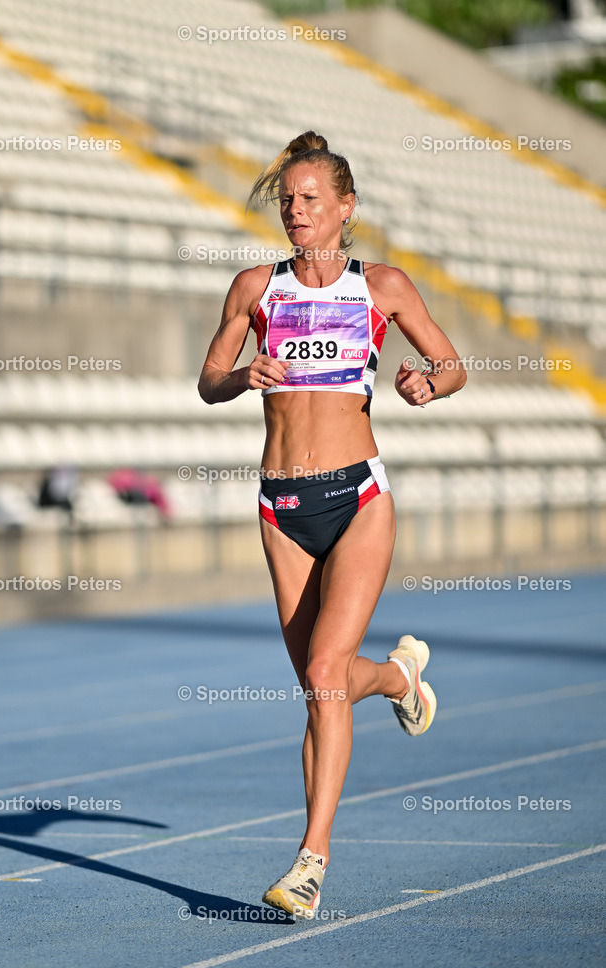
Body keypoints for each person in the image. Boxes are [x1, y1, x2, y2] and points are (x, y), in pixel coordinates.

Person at [198, 131, 466, 919]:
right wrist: (240, 375)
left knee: (321, 678)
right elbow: (208, 380)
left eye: (311, 199)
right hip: (280, 508)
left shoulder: (380, 286)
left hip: (357, 498)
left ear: (345, 209)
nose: (295, 210)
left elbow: (453, 364)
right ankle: (398, 679)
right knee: (323, 686)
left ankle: (310, 863)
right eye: (287, 199)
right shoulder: (255, 287)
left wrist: (428, 383)